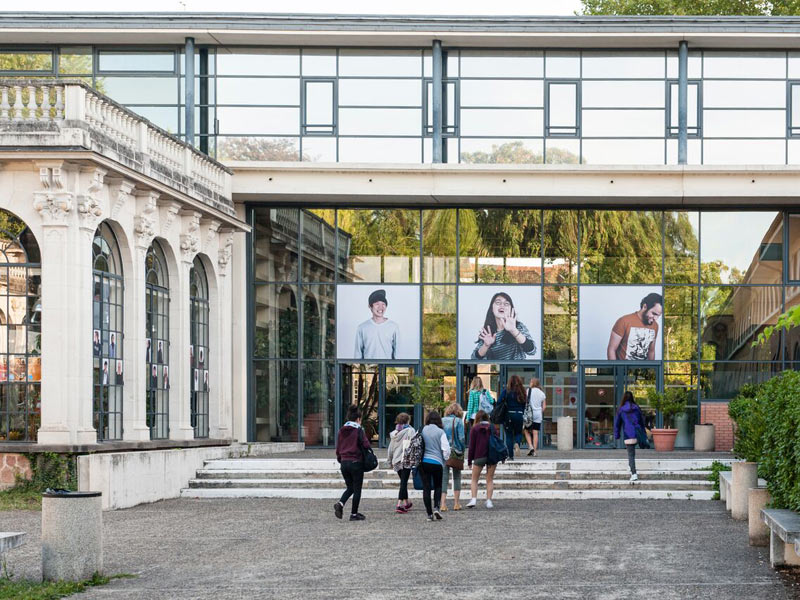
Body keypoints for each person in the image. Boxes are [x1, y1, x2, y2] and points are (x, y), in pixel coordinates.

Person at [471, 292, 536, 361]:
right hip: (496, 370)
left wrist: (513, 330)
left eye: (506, 304)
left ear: (511, 309)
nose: (502, 306)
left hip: (516, 370)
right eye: (498, 303)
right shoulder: (488, 333)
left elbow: (532, 351)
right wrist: (486, 346)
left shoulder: (518, 327)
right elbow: (473, 358)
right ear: (492, 309)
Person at [334, 405, 371, 521]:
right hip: (356, 461)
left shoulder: (341, 430)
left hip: (344, 462)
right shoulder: (359, 430)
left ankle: (340, 503)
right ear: (358, 419)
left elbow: (338, 447)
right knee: (357, 489)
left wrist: (340, 458)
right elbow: (366, 445)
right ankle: (354, 514)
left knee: (350, 487)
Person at [607, 292, 663, 361]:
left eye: (658, 315)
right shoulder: (624, 321)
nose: (655, 318)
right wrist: (615, 370)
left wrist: (652, 370)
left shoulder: (655, 326)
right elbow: (611, 349)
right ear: (644, 307)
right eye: (654, 313)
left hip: (642, 371)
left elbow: (651, 351)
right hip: (623, 370)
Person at [420, 410, 451, 521]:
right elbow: (446, 449)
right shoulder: (441, 432)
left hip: (424, 462)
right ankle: (437, 507)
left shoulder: (423, 430)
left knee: (426, 488)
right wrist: (445, 459)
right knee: (438, 486)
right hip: (437, 462)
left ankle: (429, 514)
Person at [354, 289, 399, 360]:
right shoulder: (362, 327)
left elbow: (398, 354)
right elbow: (358, 354)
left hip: (387, 369)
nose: (381, 307)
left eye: (383, 304)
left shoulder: (393, 327)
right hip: (368, 370)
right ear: (370, 306)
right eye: (377, 304)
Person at [466, 410, 497, 509]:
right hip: (492, 456)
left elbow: (472, 446)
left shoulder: (475, 429)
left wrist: (469, 460)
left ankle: (474, 499)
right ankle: (488, 501)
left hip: (479, 455)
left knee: (474, 479)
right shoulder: (492, 428)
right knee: (489, 479)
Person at [386, 412, 415, 514]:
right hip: (406, 460)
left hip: (396, 461)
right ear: (408, 421)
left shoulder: (394, 433)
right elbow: (414, 445)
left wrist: (390, 461)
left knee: (403, 481)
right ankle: (399, 504)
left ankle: (406, 502)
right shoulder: (410, 431)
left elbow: (390, 449)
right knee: (403, 482)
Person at [614, 391, 646, 482]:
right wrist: (643, 432)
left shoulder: (621, 409)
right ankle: (630, 466)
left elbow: (617, 424)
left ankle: (634, 473)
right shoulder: (637, 408)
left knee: (631, 454)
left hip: (628, 434)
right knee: (632, 453)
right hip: (637, 433)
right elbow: (642, 421)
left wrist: (617, 435)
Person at [441, 403, 465, 512]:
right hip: (456, 451)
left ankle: (443, 504)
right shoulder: (459, 421)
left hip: (444, 452)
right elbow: (461, 438)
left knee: (444, 478)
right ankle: (456, 503)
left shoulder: (442, 420)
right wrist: (462, 449)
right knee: (457, 477)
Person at [500, 375, 526, 460]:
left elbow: (499, 402)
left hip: (509, 415)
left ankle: (510, 456)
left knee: (509, 435)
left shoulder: (506, 391)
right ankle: (517, 443)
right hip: (519, 414)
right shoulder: (522, 392)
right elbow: (524, 404)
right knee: (518, 433)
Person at [523, 377, 547, 457]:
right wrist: (539, 412)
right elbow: (544, 407)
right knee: (535, 432)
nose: (530, 383)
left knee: (526, 430)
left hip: (530, 414)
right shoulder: (542, 393)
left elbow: (525, 402)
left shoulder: (528, 391)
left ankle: (530, 446)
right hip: (538, 414)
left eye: (530, 381)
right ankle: (535, 452)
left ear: (533, 383)